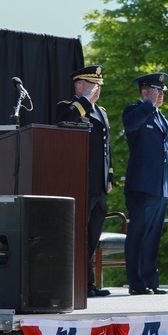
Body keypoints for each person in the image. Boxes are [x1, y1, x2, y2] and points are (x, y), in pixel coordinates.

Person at [56, 65, 114, 298]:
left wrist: (109, 176)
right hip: (79, 181)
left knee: (93, 235)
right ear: (79, 86)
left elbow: (107, 147)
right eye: (93, 85)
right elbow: (64, 119)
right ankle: (74, 282)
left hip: (98, 184)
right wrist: (86, 100)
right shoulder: (68, 107)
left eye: (98, 85)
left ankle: (87, 283)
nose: (97, 90)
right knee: (77, 234)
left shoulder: (102, 111)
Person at [122, 72, 168, 296]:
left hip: (159, 187)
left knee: (153, 236)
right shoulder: (134, 111)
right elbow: (131, 126)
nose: (160, 95)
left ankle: (151, 280)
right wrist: (147, 105)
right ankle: (137, 283)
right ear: (144, 92)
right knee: (138, 234)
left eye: (161, 92)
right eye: (156, 91)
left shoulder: (162, 118)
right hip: (141, 186)